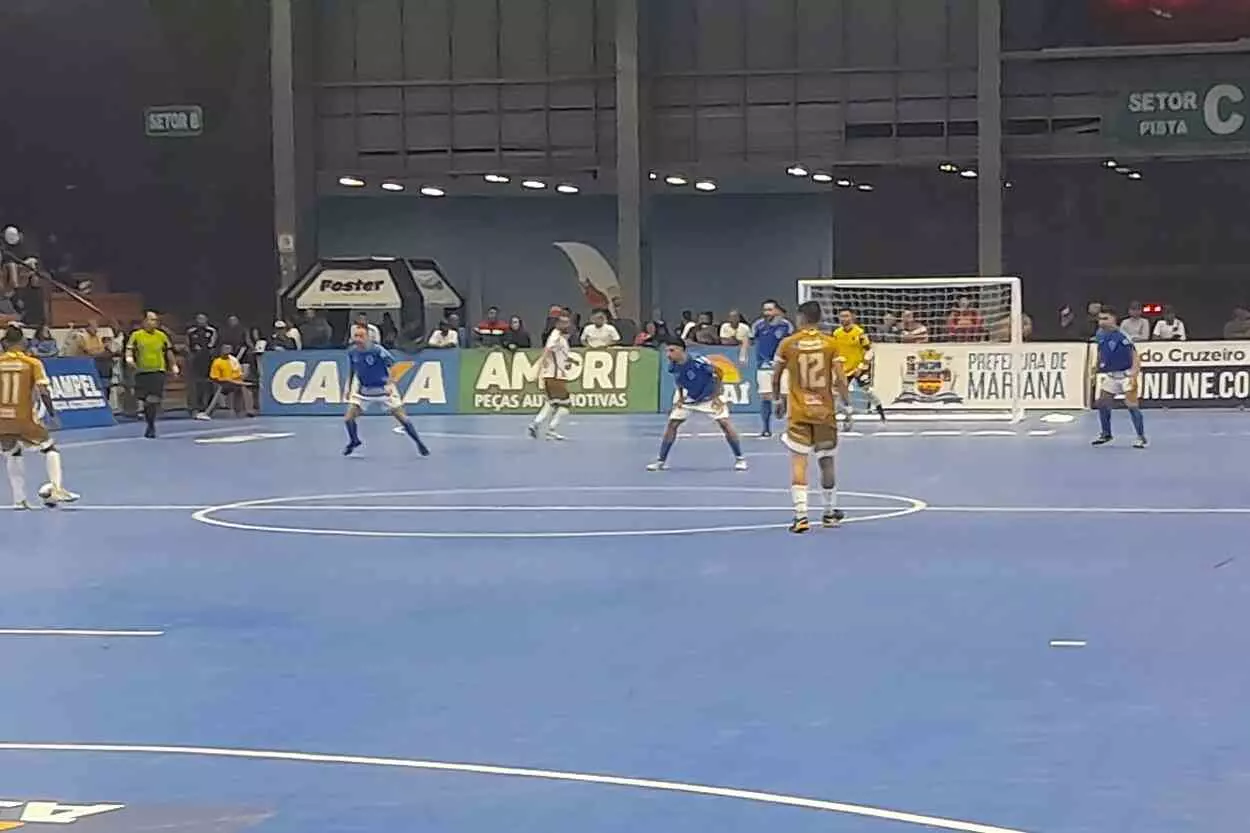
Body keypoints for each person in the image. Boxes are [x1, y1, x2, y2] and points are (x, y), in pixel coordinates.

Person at [774, 301, 850, 533]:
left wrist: (778, 399)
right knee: (826, 460)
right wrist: (847, 406)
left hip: (798, 411)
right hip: (824, 412)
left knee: (799, 462)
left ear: (800, 318)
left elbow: (776, 376)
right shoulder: (830, 343)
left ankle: (801, 516)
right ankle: (829, 512)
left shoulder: (788, 343)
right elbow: (840, 379)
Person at [0, 325, 77, 508]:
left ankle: (19, 500)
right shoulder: (31, 363)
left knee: (12, 452)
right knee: (50, 448)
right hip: (23, 416)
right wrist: (52, 413)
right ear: (21, 342)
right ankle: (57, 488)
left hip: (2, 418)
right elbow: (43, 390)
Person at [646, 339, 747, 472]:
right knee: (672, 424)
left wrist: (716, 397)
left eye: (671, 350)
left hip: (709, 396)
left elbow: (719, 374)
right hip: (689, 398)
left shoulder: (698, 361)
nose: (668, 354)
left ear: (681, 350)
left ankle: (740, 459)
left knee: (725, 424)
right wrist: (681, 398)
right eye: (666, 351)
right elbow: (679, 380)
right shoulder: (672, 365)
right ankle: (660, 461)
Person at [343, 324, 429, 457]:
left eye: (361, 336)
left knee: (402, 418)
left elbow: (393, 365)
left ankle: (418, 442)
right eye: (356, 336)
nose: (358, 339)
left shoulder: (377, 350)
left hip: (384, 390)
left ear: (368, 337)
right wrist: (348, 387)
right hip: (364, 391)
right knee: (348, 418)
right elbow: (352, 369)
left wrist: (391, 382)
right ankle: (354, 440)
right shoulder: (352, 352)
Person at [1091, 309, 1146, 449]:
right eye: (1100, 319)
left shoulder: (1122, 335)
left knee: (1132, 406)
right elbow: (1101, 351)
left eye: (1105, 318)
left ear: (1113, 319)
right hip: (1111, 375)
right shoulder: (1100, 334)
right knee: (1102, 403)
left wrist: (1134, 372)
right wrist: (1096, 367)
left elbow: (1134, 354)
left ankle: (1141, 437)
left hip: (1126, 375)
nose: (1101, 321)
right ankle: (1106, 433)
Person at [126, 311, 179, 439]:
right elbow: (129, 349)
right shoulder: (136, 335)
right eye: (150, 320)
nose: (153, 322)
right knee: (145, 399)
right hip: (142, 371)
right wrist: (129, 359)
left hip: (157, 371)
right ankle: (149, 420)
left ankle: (151, 426)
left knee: (153, 399)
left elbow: (168, 352)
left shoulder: (161, 336)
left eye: (155, 320)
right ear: (144, 321)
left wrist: (174, 366)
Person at [747, 300, 795, 437]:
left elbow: (792, 342)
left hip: (784, 365)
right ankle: (766, 428)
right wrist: (745, 352)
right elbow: (749, 339)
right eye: (765, 310)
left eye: (770, 309)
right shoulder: (758, 325)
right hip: (764, 365)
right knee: (765, 396)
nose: (767, 312)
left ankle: (782, 409)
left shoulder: (786, 325)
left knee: (786, 394)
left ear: (776, 311)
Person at [832, 309, 886, 422]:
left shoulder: (859, 333)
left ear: (852, 317)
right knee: (837, 393)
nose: (843, 319)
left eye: (846, 316)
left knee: (867, 391)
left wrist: (861, 366)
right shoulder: (836, 333)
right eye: (841, 316)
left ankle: (881, 413)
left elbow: (869, 351)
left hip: (859, 368)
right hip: (843, 369)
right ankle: (844, 415)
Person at [528, 314, 573, 441]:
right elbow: (547, 351)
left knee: (552, 403)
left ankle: (535, 424)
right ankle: (551, 430)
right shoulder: (556, 336)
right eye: (564, 322)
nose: (567, 325)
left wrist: (568, 362)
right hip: (555, 376)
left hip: (556, 375)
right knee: (566, 405)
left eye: (568, 322)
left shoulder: (562, 338)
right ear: (558, 324)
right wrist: (538, 370)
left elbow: (559, 356)